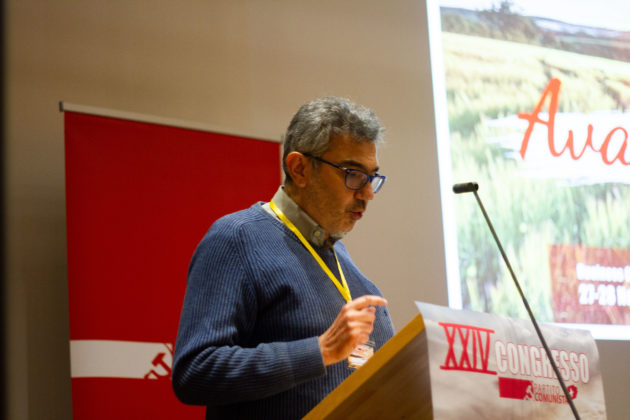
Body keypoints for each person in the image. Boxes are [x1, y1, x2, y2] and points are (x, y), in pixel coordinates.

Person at [172, 96, 395, 419]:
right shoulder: (236, 239)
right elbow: (195, 371)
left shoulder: (347, 268)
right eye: (353, 174)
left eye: (372, 177)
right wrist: (320, 351)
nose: (368, 193)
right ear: (299, 169)